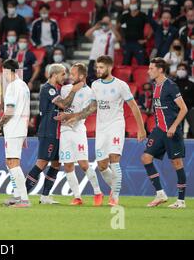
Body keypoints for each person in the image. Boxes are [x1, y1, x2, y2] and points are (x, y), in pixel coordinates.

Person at [57, 55, 146, 206]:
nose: (98, 70)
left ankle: (115, 197)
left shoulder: (120, 85)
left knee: (114, 159)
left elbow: (133, 106)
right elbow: (92, 107)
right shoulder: (96, 85)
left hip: (116, 126)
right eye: (97, 67)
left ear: (110, 68)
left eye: (101, 67)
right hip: (102, 129)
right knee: (102, 166)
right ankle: (115, 187)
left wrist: (141, 128)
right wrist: (76, 116)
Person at [23, 63, 82, 205]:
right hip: (48, 131)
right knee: (42, 163)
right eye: (63, 74)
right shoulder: (48, 88)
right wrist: (74, 90)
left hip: (56, 133)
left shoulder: (56, 89)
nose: (65, 77)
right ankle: (22, 194)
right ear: (54, 74)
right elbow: (63, 105)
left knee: (56, 164)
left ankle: (44, 196)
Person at [142, 58, 188, 209]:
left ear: (160, 70)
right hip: (159, 130)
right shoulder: (155, 86)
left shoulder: (171, 86)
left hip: (172, 131)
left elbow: (184, 109)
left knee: (177, 164)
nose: (148, 71)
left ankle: (181, 201)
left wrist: (174, 126)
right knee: (146, 158)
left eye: (151, 68)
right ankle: (160, 194)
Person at [58, 63, 103, 206]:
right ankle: (77, 197)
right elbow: (63, 105)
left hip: (78, 131)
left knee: (83, 164)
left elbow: (88, 111)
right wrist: (64, 115)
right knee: (68, 165)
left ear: (82, 76)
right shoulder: (65, 88)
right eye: (70, 74)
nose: (70, 77)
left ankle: (97, 192)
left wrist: (73, 118)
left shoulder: (89, 92)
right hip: (65, 131)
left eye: (73, 74)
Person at [0, 59, 30, 208]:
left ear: (8, 71)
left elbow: (9, 110)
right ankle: (17, 196)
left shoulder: (12, 87)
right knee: (12, 163)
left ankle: (24, 199)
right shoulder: (24, 86)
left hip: (14, 128)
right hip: (20, 128)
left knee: (13, 163)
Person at [86, 16, 121, 82]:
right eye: (103, 22)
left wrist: (112, 28)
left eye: (106, 23)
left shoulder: (112, 33)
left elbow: (119, 38)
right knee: (91, 78)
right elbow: (87, 34)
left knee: (105, 79)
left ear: (110, 23)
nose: (105, 24)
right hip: (94, 59)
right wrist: (95, 27)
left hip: (106, 60)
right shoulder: (97, 32)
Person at [117, 0, 149, 65]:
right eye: (131, 2)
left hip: (138, 43)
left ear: (138, 3)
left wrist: (146, 39)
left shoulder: (142, 15)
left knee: (142, 63)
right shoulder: (125, 15)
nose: (132, 4)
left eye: (134, 2)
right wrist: (120, 38)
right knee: (125, 64)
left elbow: (150, 28)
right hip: (127, 43)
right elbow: (117, 27)